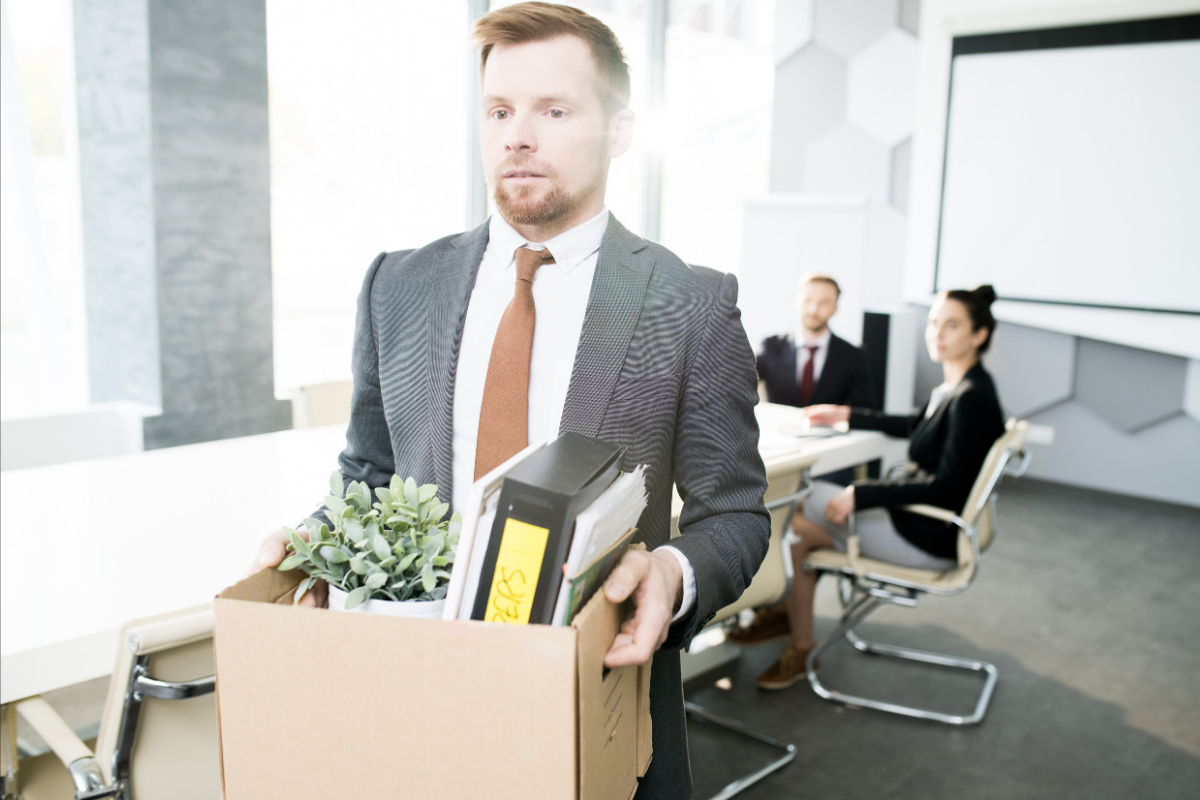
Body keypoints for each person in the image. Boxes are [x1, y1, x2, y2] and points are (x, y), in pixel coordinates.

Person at [245, 5, 769, 798]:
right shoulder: (400, 285)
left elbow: (734, 513)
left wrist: (672, 572)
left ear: (619, 129)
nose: (518, 135)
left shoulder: (686, 304)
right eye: (499, 111)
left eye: (554, 111)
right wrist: (319, 539)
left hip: (594, 697)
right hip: (414, 693)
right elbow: (370, 471)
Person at [730, 285, 1005, 690]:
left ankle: (793, 633)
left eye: (951, 325)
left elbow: (946, 488)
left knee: (793, 517)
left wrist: (863, 493)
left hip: (928, 536)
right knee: (797, 516)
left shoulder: (971, 399)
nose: (937, 333)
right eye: (933, 323)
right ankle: (788, 619)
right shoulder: (961, 387)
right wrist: (847, 415)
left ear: (979, 335)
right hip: (922, 522)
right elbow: (917, 423)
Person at [756, 273, 878, 410]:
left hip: (829, 430)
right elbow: (737, 383)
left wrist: (838, 414)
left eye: (824, 303)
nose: (813, 310)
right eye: (808, 300)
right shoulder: (770, 346)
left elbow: (866, 412)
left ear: (835, 309)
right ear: (797, 301)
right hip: (777, 429)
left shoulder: (854, 356)